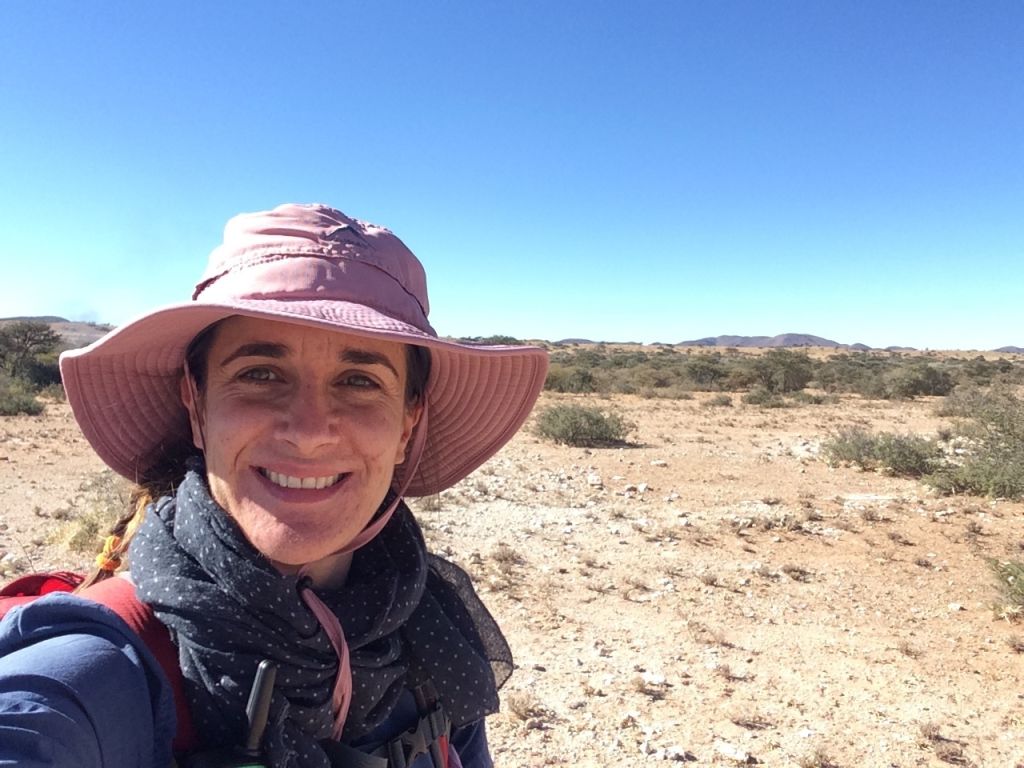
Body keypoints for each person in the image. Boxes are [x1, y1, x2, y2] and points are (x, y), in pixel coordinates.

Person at [0, 203, 548, 767]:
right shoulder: (102, 668)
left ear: (407, 425)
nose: (309, 432)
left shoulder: (429, 635)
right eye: (259, 374)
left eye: (359, 380)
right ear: (197, 405)